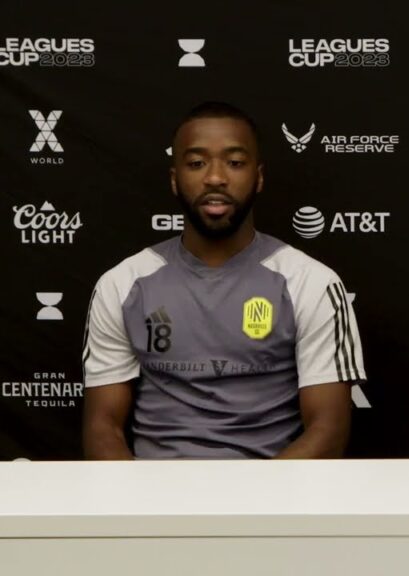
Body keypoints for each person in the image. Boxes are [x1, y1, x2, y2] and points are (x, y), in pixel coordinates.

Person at [82, 102, 365, 459]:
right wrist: (143, 495)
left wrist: (255, 496)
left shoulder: (311, 283)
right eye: (196, 163)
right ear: (174, 179)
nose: (215, 178)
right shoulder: (123, 284)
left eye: (234, 162)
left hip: (273, 488)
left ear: (258, 177)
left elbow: (329, 429)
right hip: (156, 489)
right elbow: (102, 426)